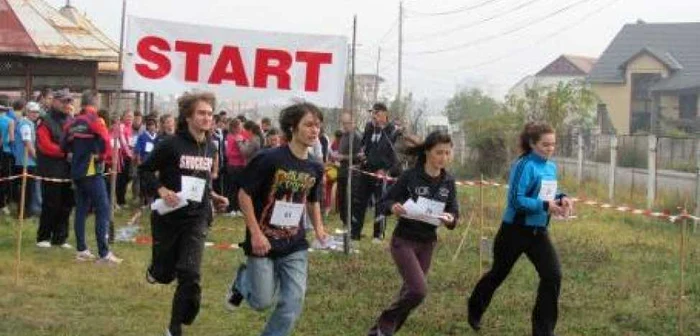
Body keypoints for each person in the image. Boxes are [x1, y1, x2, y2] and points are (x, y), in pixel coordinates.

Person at [225, 102, 329, 336]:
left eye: (318, 126)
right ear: (292, 127)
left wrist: (319, 229)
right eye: (309, 125)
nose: (315, 131)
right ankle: (242, 281)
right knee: (261, 301)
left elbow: (313, 200)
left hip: (295, 243)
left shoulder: (315, 165)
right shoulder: (269, 158)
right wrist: (256, 234)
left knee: (293, 302)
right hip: (263, 241)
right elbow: (244, 194)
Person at [467, 122, 574, 336]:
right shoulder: (523, 165)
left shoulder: (551, 167)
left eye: (553, 145)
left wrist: (562, 199)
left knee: (553, 276)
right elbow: (516, 200)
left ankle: (543, 331)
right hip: (514, 230)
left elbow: (549, 192)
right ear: (532, 144)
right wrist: (545, 206)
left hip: (539, 233)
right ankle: (475, 307)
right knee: (499, 273)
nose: (550, 149)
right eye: (545, 145)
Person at [139, 91, 228, 336]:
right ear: (188, 116)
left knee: (190, 272)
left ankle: (175, 326)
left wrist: (214, 197)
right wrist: (161, 188)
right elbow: (144, 170)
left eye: (209, 114)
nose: (206, 118)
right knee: (166, 274)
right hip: (168, 216)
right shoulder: (170, 144)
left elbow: (203, 181)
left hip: (197, 218)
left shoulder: (210, 146)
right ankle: (157, 270)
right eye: (201, 113)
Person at [368, 131, 459, 336]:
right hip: (404, 241)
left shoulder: (449, 182)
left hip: (427, 243)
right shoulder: (410, 176)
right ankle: (386, 320)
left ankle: (381, 333)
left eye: (447, 153)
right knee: (418, 290)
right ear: (427, 152)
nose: (443, 158)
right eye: (438, 152)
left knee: (409, 293)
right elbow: (384, 202)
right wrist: (394, 208)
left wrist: (451, 218)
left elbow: (454, 212)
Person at [62, 90, 122, 264]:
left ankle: (82, 250)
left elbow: (63, 144)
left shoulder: (71, 123)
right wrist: (102, 158)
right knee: (103, 208)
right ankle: (104, 254)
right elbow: (106, 143)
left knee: (81, 209)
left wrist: (73, 153)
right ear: (95, 103)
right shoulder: (96, 120)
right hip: (91, 170)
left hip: (76, 170)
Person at [351, 102, 400, 241]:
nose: (374, 117)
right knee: (359, 201)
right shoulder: (368, 127)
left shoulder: (393, 131)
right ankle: (355, 233)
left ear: (385, 114)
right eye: (373, 113)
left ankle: (378, 235)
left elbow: (396, 156)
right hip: (366, 170)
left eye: (377, 114)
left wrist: (386, 170)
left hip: (382, 173)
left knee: (380, 203)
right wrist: (361, 155)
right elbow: (363, 146)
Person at [35, 89, 74, 249]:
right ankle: (43, 236)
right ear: (55, 101)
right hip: (51, 170)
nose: (67, 104)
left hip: (68, 170)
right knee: (51, 204)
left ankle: (60, 237)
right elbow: (44, 146)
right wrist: (65, 152)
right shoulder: (44, 121)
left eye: (69, 102)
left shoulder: (71, 121)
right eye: (64, 101)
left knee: (66, 205)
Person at [12, 101, 41, 217]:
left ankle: (25, 212)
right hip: (26, 162)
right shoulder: (25, 124)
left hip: (27, 161)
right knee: (26, 190)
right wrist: (36, 157)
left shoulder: (28, 123)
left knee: (28, 190)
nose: (35, 114)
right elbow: (27, 143)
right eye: (33, 112)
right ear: (27, 112)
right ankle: (24, 213)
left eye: (37, 112)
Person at [336, 112, 363, 230]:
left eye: (347, 123)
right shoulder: (343, 136)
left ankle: (350, 224)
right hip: (341, 171)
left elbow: (361, 156)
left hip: (353, 173)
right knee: (341, 198)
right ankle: (344, 222)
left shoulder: (357, 136)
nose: (345, 126)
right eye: (343, 123)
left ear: (353, 123)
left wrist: (344, 157)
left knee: (349, 199)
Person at [224, 118, 247, 217]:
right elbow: (228, 153)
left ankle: (238, 208)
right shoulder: (230, 137)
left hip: (241, 166)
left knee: (239, 189)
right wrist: (240, 154)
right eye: (240, 126)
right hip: (233, 166)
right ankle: (230, 209)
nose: (242, 128)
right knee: (232, 188)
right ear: (235, 127)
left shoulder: (241, 136)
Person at [115, 110, 135, 207]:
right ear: (123, 117)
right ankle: (120, 200)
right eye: (128, 116)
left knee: (127, 177)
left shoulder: (130, 128)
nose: (130, 118)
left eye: (131, 116)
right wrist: (130, 154)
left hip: (129, 157)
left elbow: (131, 142)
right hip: (122, 157)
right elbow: (123, 142)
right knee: (122, 179)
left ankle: (121, 199)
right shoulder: (122, 126)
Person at [0, 95, 16, 215]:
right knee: (4, 178)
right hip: (5, 152)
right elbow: (11, 138)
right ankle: (3, 205)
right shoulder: (10, 121)